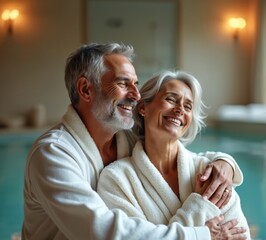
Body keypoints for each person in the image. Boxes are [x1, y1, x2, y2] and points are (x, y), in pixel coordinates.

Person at [22, 43, 246, 240]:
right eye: (123, 83)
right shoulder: (53, 153)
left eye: (136, 84)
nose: (136, 95)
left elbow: (178, 151)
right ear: (85, 89)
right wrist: (202, 235)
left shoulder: (124, 136)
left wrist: (224, 162)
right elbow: (104, 233)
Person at [97, 70, 251, 240]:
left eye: (188, 106)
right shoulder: (117, 179)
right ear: (143, 108)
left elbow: (241, 234)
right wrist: (200, 205)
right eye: (171, 99)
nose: (180, 110)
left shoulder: (211, 172)